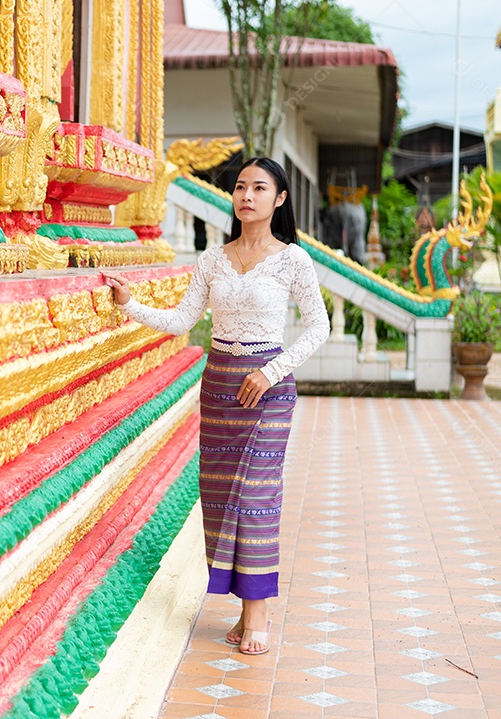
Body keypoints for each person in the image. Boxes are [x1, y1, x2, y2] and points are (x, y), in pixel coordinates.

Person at [104, 157, 329, 655]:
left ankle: (259, 615)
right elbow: (183, 318)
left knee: (255, 497)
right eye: (240, 187)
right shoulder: (212, 260)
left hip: (268, 389)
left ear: (280, 199)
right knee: (223, 498)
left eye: (259, 187)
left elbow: (319, 327)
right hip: (221, 387)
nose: (247, 195)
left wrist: (270, 373)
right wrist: (128, 305)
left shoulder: (293, 260)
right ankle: (244, 608)